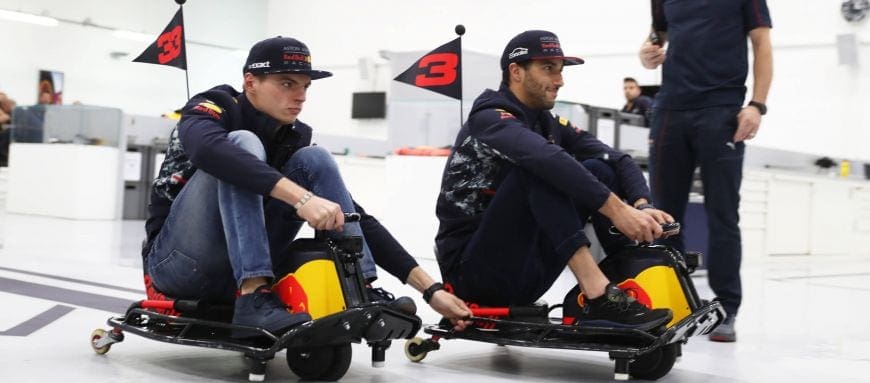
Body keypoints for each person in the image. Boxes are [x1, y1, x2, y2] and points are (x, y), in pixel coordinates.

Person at [143, 36, 471, 338]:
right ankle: (253, 296)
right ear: (250, 83)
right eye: (286, 84)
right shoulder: (213, 108)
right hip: (179, 268)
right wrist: (301, 198)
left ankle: (361, 289)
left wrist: (430, 290)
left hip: (233, 264)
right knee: (242, 145)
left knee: (315, 159)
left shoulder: (292, 135)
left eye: (304, 86)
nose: (299, 96)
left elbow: (354, 215)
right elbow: (207, 150)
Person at [434, 30, 675, 331]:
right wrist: (618, 210)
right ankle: (598, 295)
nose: (559, 80)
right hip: (472, 275)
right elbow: (545, 159)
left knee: (600, 169)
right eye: (549, 69)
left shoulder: (547, 122)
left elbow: (618, 159)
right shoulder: (489, 118)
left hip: (525, 269)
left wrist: (641, 204)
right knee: (539, 168)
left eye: (560, 71)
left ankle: (623, 279)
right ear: (516, 71)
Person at [639, 0, 773, 342]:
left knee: (722, 214)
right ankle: (677, 302)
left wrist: (756, 105)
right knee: (664, 218)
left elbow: (762, 44)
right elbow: (657, 37)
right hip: (670, 109)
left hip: (722, 110)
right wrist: (647, 52)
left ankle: (727, 308)